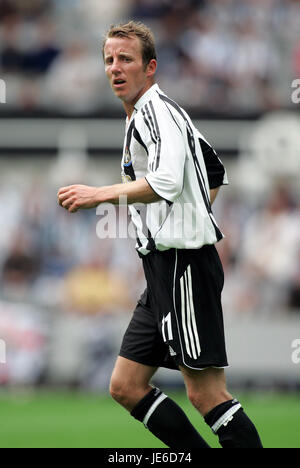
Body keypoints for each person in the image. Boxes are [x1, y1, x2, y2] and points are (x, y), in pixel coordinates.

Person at [57, 20, 263, 449]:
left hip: (185, 266)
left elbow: (167, 182)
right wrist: (190, 213)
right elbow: (214, 170)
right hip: (162, 269)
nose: (115, 68)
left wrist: (102, 195)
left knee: (206, 394)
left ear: (150, 67)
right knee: (126, 385)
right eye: (109, 60)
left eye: (126, 59)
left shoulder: (158, 111)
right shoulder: (147, 115)